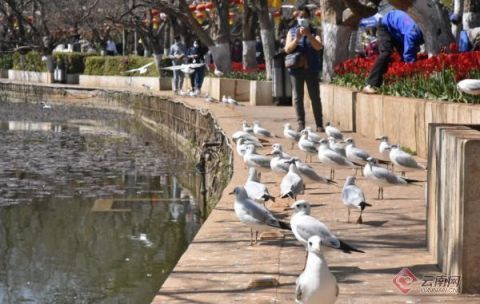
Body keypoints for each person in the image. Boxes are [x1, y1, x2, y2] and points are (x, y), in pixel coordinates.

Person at [362, 10, 424, 94]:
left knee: (404, 56)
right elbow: (409, 52)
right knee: (386, 53)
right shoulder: (414, 31)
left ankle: (405, 85)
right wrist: (412, 66)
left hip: (397, 32)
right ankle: (370, 84)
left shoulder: (419, 29)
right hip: (385, 26)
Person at [284, 7, 324, 132]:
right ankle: (301, 123)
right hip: (296, 70)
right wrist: (297, 39)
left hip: (312, 69)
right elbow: (287, 49)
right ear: (297, 18)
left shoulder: (315, 31)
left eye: (305, 17)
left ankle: (319, 124)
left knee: (315, 97)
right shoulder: (291, 31)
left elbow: (319, 47)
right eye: (300, 17)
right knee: (297, 97)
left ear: (309, 18)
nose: (303, 19)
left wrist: (308, 35)